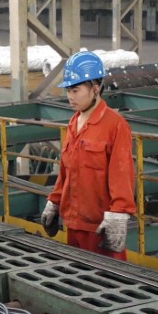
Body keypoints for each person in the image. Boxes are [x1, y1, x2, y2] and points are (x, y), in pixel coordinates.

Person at [40, 50, 136, 260]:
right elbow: (66, 170)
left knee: (107, 286)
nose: (70, 97)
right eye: (68, 91)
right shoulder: (74, 123)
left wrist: (119, 215)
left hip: (100, 229)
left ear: (94, 89)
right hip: (73, 224)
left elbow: (122, 175)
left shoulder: (115, 126)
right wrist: (54, 202)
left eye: (75, 90)